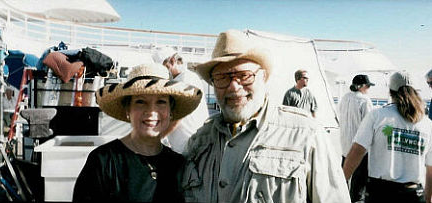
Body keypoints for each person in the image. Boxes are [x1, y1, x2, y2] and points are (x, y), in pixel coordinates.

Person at [182, 29, 350, 203]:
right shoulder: (199, 143)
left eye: (244, 75)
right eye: (222, 77)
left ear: (263, 77)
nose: (233, 87)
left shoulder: (307, 135)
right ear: (213, 84)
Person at [72, 63, 202, 202]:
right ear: (128, 109)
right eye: (141, 101)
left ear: (171, 111)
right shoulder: (104, 161)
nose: (151, 111)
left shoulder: (179, 164)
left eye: (161, 102)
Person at [343, 71, 432, 203]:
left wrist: (340, 183)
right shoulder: (427, 124)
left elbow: (356, 152)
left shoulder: (377, 116)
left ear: (391, 91)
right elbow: (430, 169)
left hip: (381, 193)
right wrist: (428, 198)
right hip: (413, 194)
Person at [152, 46, 209, 153]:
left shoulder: (185, 80)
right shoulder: (180, 79)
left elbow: (178, 117)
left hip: (191, 146)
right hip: (185, 145)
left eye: (163, 67)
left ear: (172, 61)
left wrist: (156, 138)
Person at [338, 74, 375, 202]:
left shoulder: (344, 98)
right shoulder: (365, 101)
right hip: (359, 148)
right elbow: (370, 124)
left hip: (344, 146)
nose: (369, 88)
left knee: (343, 179)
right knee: (359, 185)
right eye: (368, 86)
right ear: (362, 86)